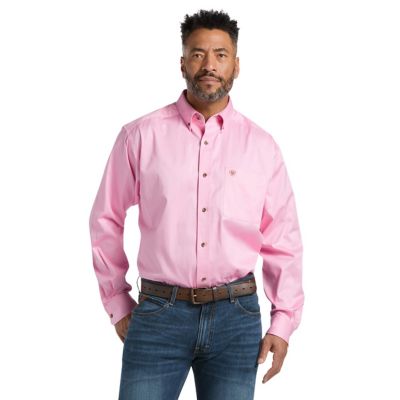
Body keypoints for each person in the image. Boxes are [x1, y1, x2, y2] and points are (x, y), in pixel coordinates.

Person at [89, 8, 304, 400]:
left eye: (221, 55)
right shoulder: (140, 136)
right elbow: (106, 218)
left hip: (236, 318)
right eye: (198, 53)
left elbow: (282, 237)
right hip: (158, 315)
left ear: (236, 65)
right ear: (182, 62)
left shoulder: (262, 146)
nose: (209, 65)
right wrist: (117, 301)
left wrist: (283, 321)